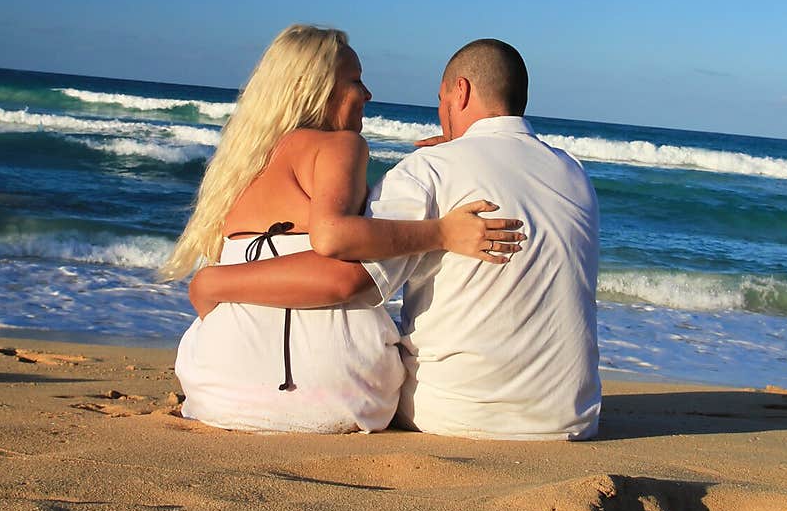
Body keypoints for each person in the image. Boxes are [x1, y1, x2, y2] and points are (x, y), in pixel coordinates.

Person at [190, 38, 602, 441]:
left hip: (451, 412)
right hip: (572, 416)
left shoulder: (425, 170)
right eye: (358, 81)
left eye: (441, 101)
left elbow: (351, 273)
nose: (368, 93)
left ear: (460, 92)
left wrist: (213, 281)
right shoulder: (575, 173)